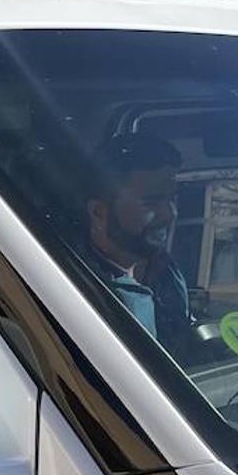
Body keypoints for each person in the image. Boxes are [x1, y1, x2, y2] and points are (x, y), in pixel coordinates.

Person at [83, 133, 198, 362]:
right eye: (152, 202)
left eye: (171, 200)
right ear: (99, 212)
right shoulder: (78, 285)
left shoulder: (167, 271)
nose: (169, 214)